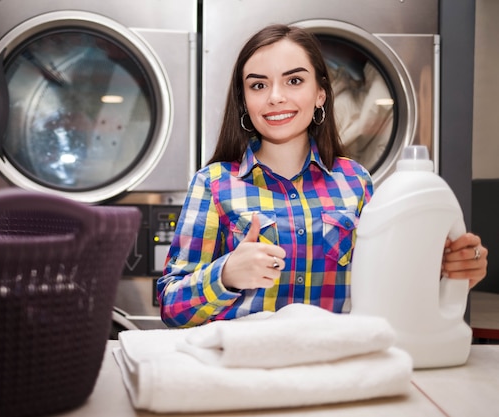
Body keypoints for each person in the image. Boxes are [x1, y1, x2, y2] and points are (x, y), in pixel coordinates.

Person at [156, 24, 488, 328]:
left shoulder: (355, 181)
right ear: (244, 101)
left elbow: (391, 288)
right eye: (258, 85)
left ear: (320, 94)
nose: (275, 97)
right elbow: (171, 308)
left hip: (339, 370)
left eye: (294, 80)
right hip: (245, 374)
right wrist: (225, 274)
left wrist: (448, 271)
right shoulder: (213, 183)